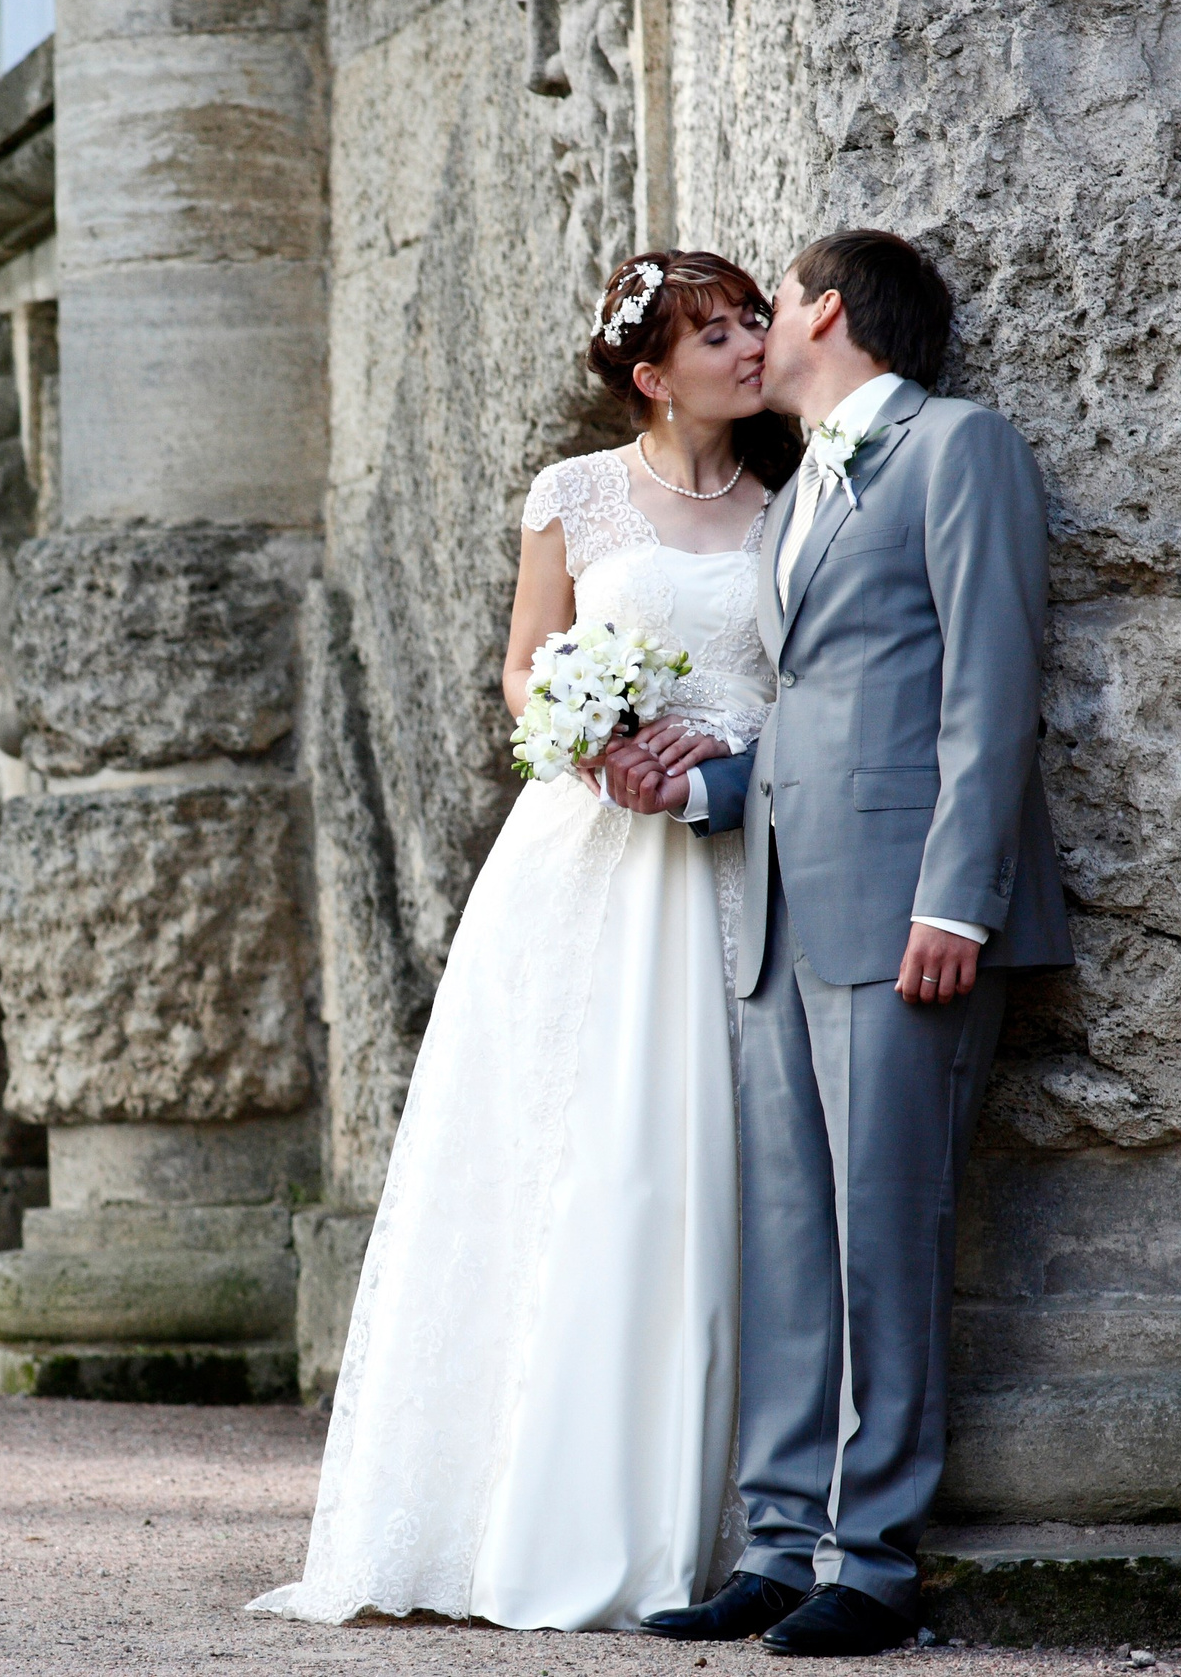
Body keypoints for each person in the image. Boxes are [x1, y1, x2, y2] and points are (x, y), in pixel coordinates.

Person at [247, 251, 799, 1632]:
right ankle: (518, 1509)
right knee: (571, 1158)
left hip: (729, 855)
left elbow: (807, 681)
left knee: (708, 1169)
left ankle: (721, 1518)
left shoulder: (790, 506)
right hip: (589, 860)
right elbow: (526, 663)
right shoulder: (572, 496)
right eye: (714, 332)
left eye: (751, 321)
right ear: (649, 374)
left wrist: (721, 759)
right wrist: (596, 741)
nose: (747, 345)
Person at [621, 229, 1073, 1656]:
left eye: (775, 297)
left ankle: (872, 1562)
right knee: (789, 1246)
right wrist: (700, 786)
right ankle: (777, 1540)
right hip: (777, 909)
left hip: (904, 918)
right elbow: (816, 705)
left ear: (826, 307)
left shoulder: (958, 449)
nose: (758, 324)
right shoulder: (797, 488)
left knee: (887, 1238)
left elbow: (989, 690)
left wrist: (959, 898)